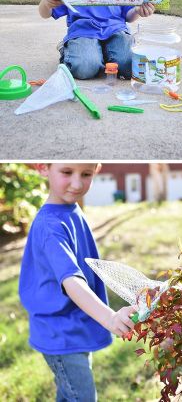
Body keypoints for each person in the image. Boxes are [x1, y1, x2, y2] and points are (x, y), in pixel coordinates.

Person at [19, 163, 136, 401]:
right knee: (82, 397)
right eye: (67, 172)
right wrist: (110, 317)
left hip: (76, 327)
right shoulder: (51, 226)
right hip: (61, 332)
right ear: (43, 168)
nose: (77, 183)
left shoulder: (70, 209)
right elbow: (71, 280)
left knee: (69, 394)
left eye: (86, 174)